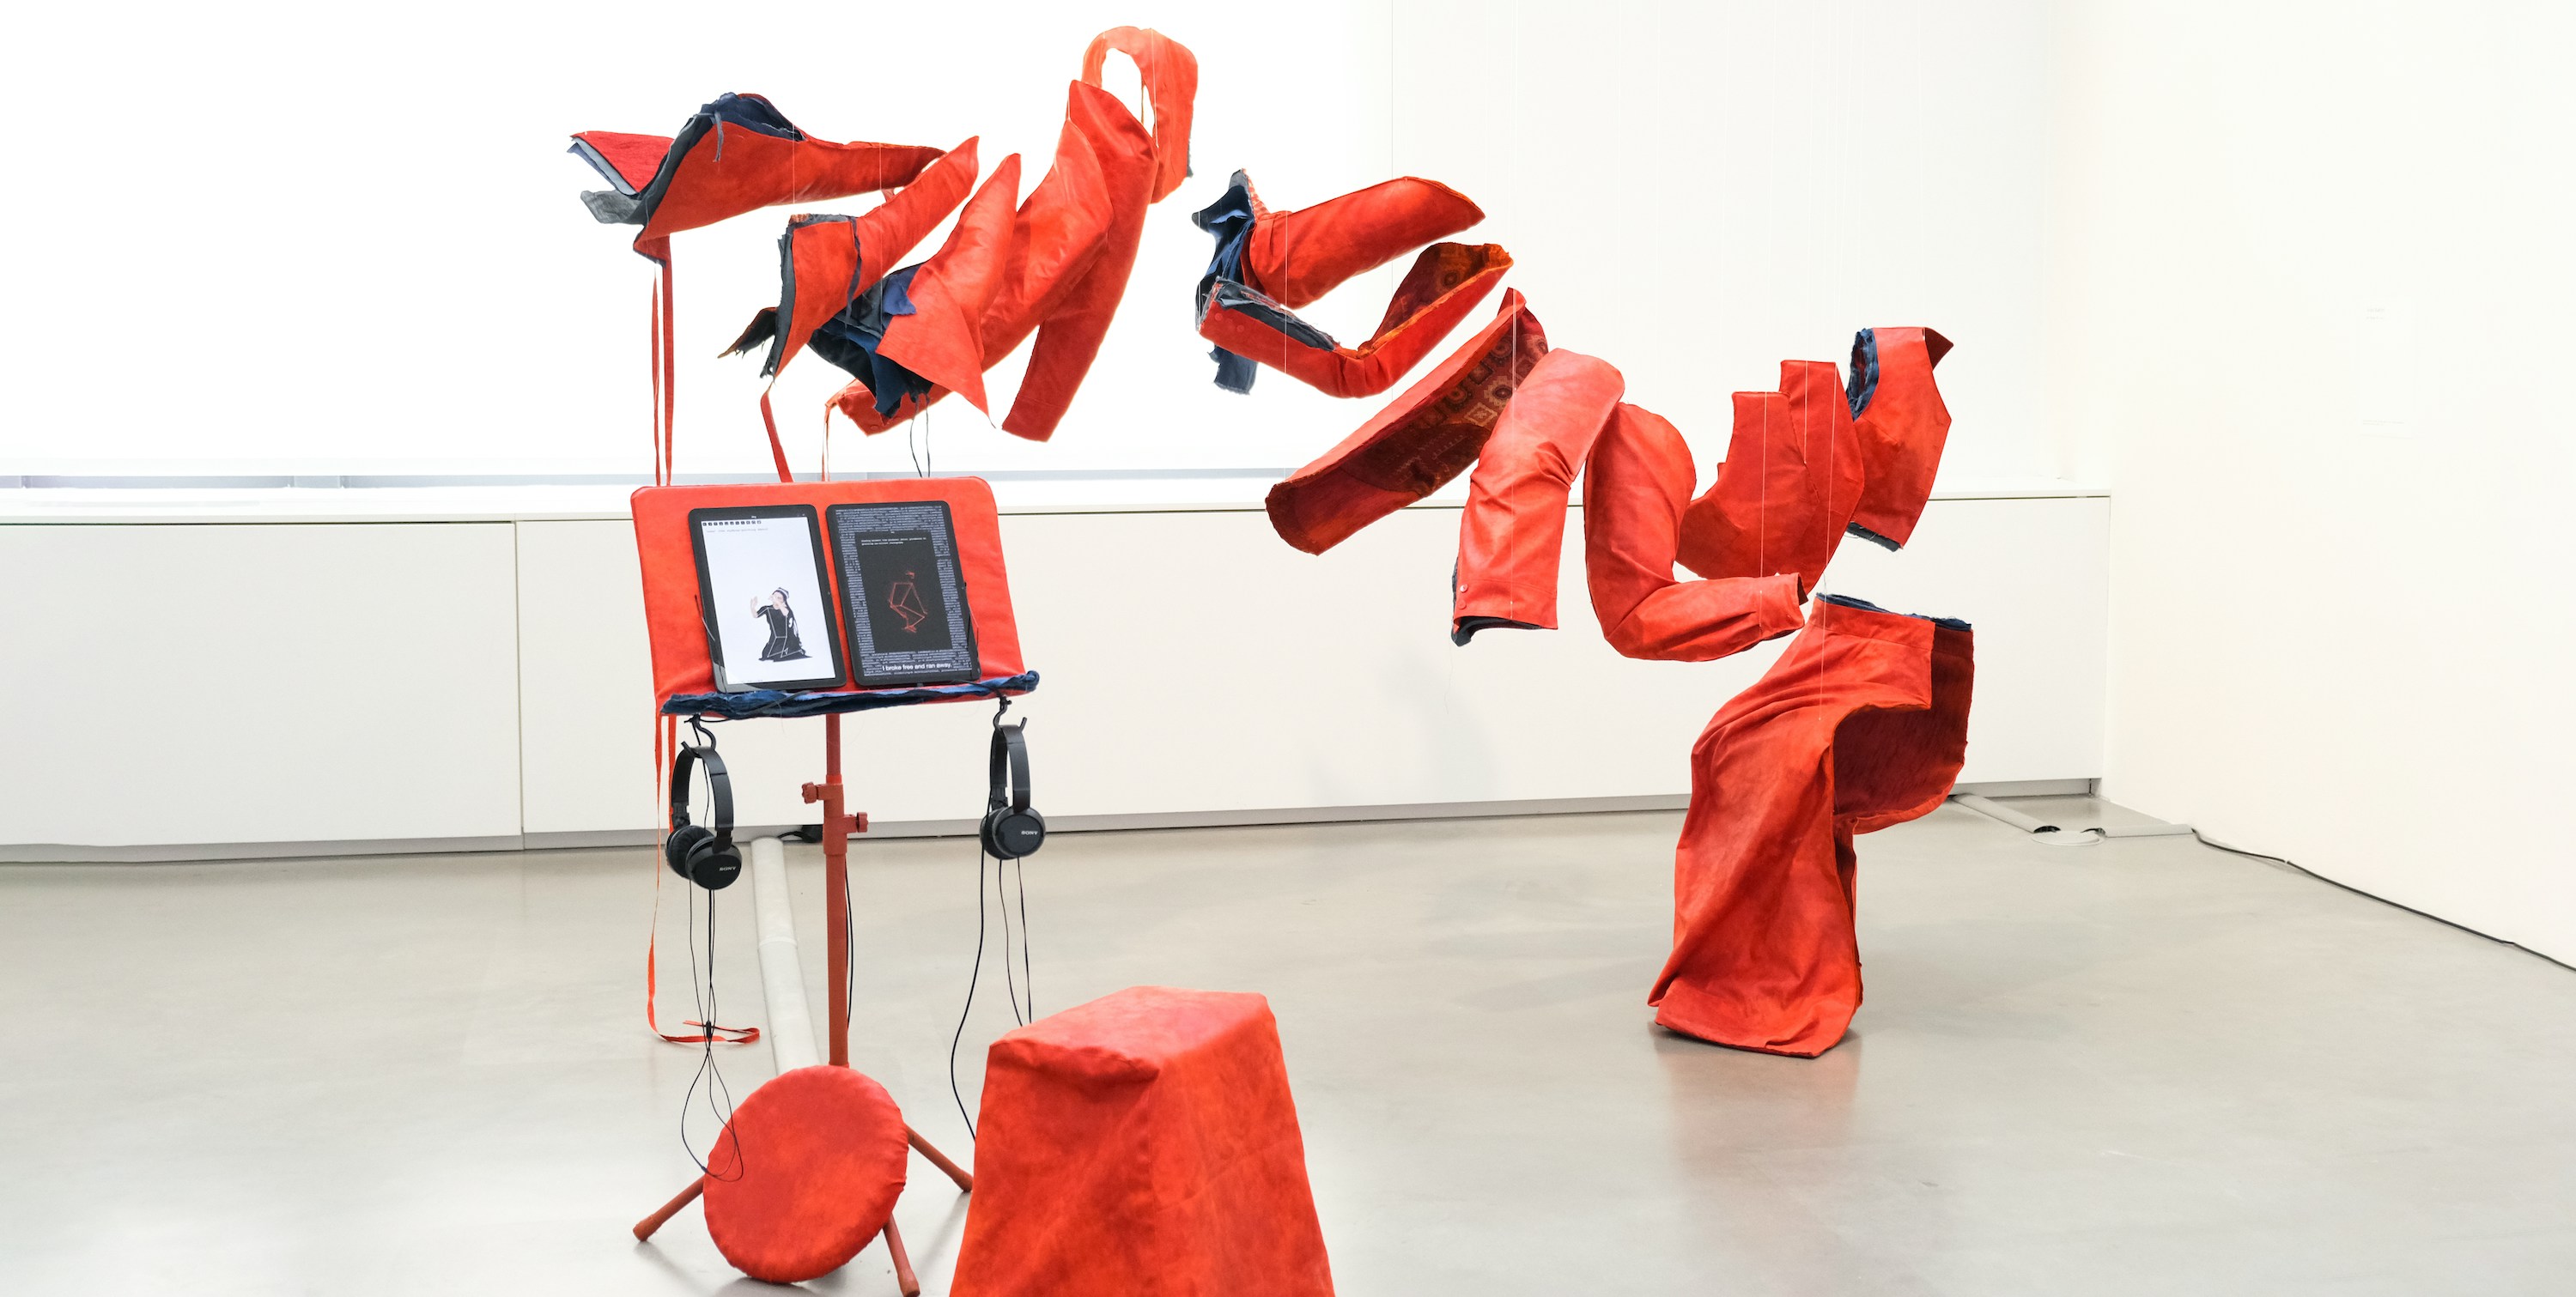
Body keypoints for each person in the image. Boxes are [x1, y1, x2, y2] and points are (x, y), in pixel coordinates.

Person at [751, 588, 807, 662]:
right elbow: (756, 615)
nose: (775, 599)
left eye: (779, 598)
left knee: (779, 656)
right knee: (765, 655)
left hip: (786, 638)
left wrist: (777, 602)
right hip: (774, 636)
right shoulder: (767, 608)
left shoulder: (785, 609)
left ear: (784, 600)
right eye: (774, 596)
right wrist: (752, 607)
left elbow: (786, 613)